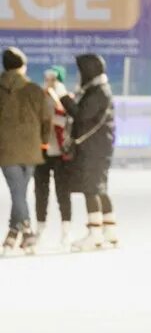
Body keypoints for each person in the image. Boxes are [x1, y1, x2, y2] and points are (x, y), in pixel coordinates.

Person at [0, 47, 51, 255]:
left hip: (6, 148)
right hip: (31, 148)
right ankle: (26, 233)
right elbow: (46, 118)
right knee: (19, 192)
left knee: (17, 192)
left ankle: (14, 234)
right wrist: (44, 142)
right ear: (22, 66)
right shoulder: (34, 89)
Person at [66, 54, 118, 251]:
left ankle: (95, 233)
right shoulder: (98, 90)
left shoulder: (98, 92)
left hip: (94, 148)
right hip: (100, 146)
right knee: (99, 187)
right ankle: (109, 229)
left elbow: (81, 115)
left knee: (92, 188)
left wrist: (62, 97)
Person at [34, 66, 74, 248]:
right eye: (47, 78)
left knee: (62, 192)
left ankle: (66, 230)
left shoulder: (67, 99)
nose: (49, 82)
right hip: (42, 152)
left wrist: (55, 117)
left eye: (53, 79)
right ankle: (40, 228)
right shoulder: (39, 98)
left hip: (61, 154)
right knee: (41, 192)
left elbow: (70, 120)